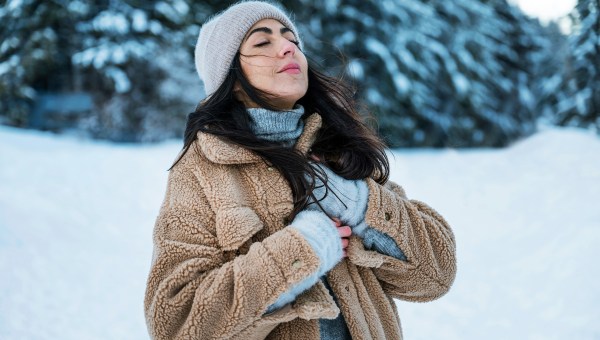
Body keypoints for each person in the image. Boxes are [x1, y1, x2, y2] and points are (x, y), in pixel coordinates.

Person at [143, 1, 456, 339]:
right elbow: (176, 323)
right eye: (263, 43)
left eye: (291, 39)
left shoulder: (338, 151)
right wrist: (302, 250)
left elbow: (436, 276)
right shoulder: (202, 172)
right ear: (230, 78)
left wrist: (360, 205)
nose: (288, 47)